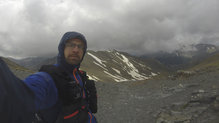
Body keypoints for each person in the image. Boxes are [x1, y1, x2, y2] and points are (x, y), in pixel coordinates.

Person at [0, 31, 97, 123]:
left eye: (80, 47)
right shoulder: (47, 78)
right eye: (71, 45)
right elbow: (20, 101)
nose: (76, 50)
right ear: (62, 48)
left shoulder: (79, 75)